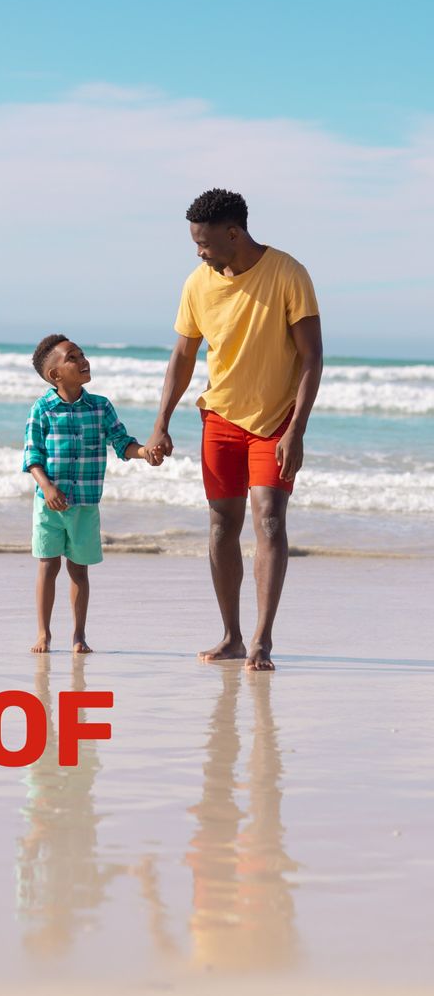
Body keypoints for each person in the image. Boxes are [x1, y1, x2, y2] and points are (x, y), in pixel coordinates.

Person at [145, 189, 323, 672]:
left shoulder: (288, 273)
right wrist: (161, 422)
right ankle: (232, 636)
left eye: (203, 242)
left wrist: (297, 430)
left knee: (269, 519)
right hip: (220, 417)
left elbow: (311, 356)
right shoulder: (197, 284)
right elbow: (183, 357)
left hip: (276, 418)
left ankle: (262, 640)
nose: (198, 251)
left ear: (233, 233)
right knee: (222, 524)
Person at [23, 335, 161, 654]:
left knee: (79, 569)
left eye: (82, 354)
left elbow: (121, 442)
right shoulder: (42, 409)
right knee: (47, 565)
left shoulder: (100, 407)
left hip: (85, 504)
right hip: (49, 504)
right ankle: (44, 633)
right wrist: (46, 487)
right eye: (73, 357)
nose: (83, 360)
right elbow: (32, 456)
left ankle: (79, 635)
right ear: (55, 375)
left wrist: (145, 453)